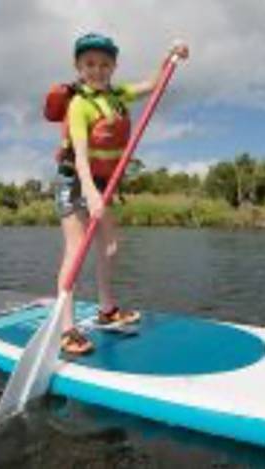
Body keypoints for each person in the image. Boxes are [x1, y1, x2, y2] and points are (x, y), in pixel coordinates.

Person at [55, 33, 189, 355]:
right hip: (75, 181)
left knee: (111, 246)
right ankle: (66, 328)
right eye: (89, 64)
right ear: (78, 66)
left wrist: (170, 59)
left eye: (104, 64)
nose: (97, 70)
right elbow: (83, 157)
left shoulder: (117, 95)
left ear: (113, 67)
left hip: (103, 182)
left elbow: (153, 85)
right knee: (76, 250)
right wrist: (91, 195)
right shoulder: (79, 105)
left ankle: (106, 310)